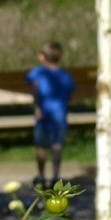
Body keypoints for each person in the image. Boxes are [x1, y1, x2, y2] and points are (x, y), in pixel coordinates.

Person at [27, 40, 75, 188]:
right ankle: (56, 176)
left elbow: (34, 89)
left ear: (42, 57)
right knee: (57, 145)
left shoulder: (37, 73)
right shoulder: (65, 76)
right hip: (59, 114)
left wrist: (37, 107)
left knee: (41, 146)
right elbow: (69, 94)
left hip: (43, 114)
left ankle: (41, 175)